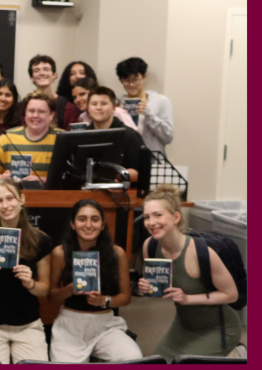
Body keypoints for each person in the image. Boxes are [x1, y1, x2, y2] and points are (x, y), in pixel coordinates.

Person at [138, 185, 242, 361]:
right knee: (158, 363)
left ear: (176, 217)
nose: (151, 222)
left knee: (185, 363)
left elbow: (231, 295)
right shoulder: (150, 245)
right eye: (147, 217)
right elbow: (158, 288)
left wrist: (188, 299)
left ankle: (236, 354)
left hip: (219, 328)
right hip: (184, 324)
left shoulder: (203, 253)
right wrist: (146, 287)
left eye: (158, 215)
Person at [47, 200, 141, 363]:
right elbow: (52, 296)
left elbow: (125, 297)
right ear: (73, 224)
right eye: (82, 219)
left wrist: (104, 300)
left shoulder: (116, 253)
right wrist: (69, 289)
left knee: (133, 359)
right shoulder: (60, 253)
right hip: (70, 325)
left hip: (106, 325)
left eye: (95, 219)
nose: (88, 225)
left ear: (103, 224)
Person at [0, 178, 53, 363]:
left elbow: (45, 289)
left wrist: (30, 283)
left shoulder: (41, 240)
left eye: (10, 198)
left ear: (22, 200)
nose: (5, 205)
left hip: (28, 325)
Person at [0, 92, 60, 184]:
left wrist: (43, 180)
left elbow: (71, 177)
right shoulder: (7, 138)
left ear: (51, 115)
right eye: (31, 111)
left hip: (50, 196)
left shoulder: (62, 139)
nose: (35, 115)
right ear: (25, 114)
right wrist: (1, 179)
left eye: (41, 111)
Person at [83, 87, 149, 186]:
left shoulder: (130, 136)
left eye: (104, 104)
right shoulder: (83, 136)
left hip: (123, 194)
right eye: (94, 104)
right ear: (88, 108)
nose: (98, 107)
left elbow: (142, 172)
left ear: (114, 108)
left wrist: (121, 175)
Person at [117, 57, 174, 156]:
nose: (131, 84)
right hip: (126, 159)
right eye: (126, 80)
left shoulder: (160, 101)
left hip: (153, 159)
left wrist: (149, 114)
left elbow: (168, 137)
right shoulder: (117, 103)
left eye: (135, 80)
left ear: (144, 77)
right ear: (121, 80)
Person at [28, 54, 80, 129]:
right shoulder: (24, 106)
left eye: (46, 69)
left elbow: (71, 138)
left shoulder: (68, 108)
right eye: (36, 70)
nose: (41, 73)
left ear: (55, 75)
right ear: (32, 77)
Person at [72, 78, 139, 131]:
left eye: (82, 94)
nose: (77, 100)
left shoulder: (118, 112)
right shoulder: (82, 117)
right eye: (74, 97)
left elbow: (134, 135)